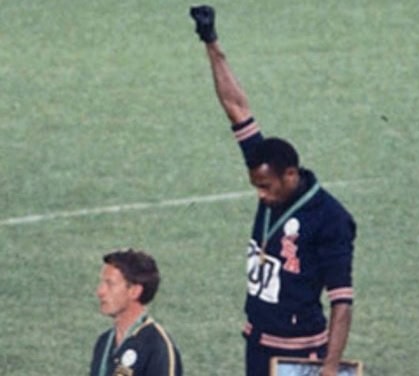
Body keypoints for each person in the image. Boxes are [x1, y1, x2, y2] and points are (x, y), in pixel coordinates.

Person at [189, 5, 357, 376]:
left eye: (266, 187)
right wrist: (211, 41)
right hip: (257, 342)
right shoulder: (265, 166)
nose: (261, 196)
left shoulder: (331, 219)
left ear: (291, 174)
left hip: (299, 356)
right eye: (256, 187)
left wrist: (330, 368)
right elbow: (236, 106)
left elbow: (342, 302)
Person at [90, 249, 183, 376]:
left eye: (110, 284)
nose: (100, 291)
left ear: (134, 291)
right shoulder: (104, 342)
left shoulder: (156, 346)